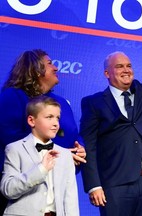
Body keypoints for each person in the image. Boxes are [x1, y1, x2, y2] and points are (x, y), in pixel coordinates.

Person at [80, 14, 142, 216]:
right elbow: (88, 145)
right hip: (114, 185)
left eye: (128, 65)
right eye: (119, 66)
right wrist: (93, 185)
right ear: (107, 73)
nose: (126, 70)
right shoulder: (93, 102)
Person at [0, 49, 86, 214]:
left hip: (58, 184)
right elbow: (10, 136)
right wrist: (58, 151)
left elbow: (68, 133)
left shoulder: (60, 103)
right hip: (22, 188)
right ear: (35, 70)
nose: (56, 68)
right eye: (49, 64)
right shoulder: (12, 96)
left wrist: (79, 147)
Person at [0, 95, 79, 216]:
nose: (55, 124)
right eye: (49, 117)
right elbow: (8, 189)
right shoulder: (15, 149)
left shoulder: (65, 154)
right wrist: (41, 170)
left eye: (57, 118)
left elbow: (70, 197)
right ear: (32, 121)